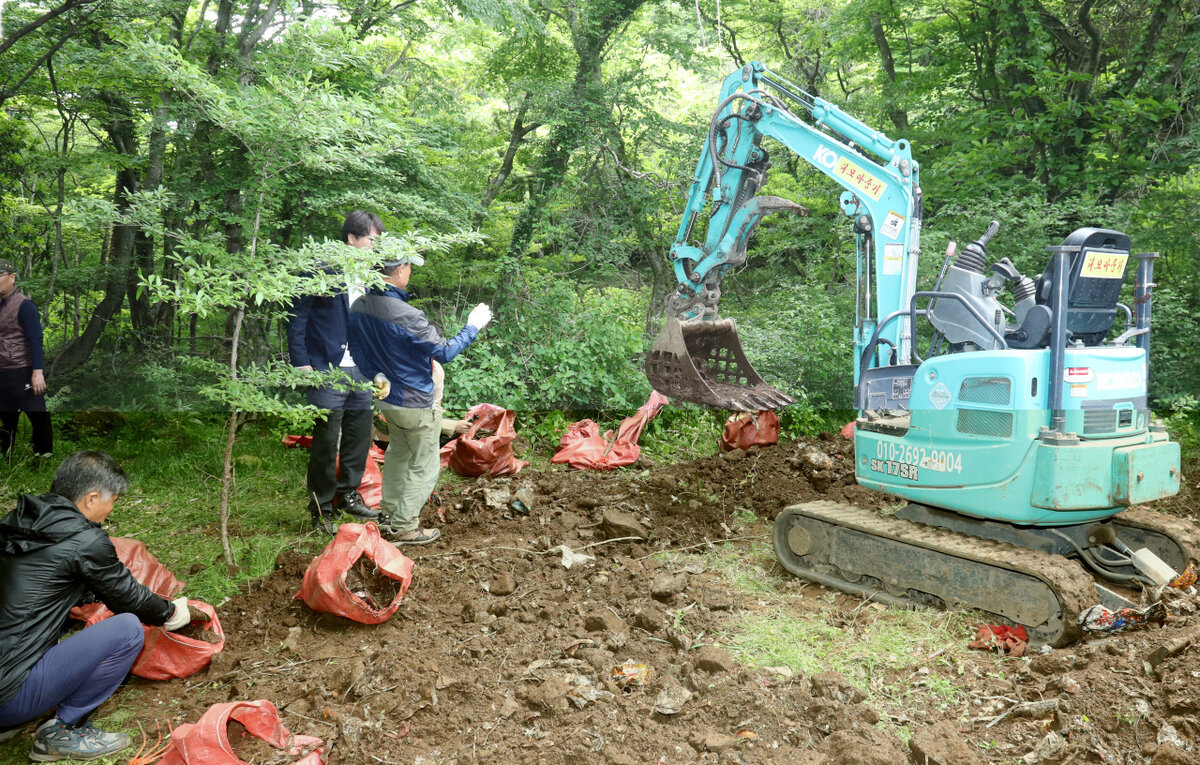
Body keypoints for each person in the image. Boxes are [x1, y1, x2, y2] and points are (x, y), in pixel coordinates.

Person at [0, 451, 200, 761]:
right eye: (113, 501)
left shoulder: (21, 523)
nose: (109, 512)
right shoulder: (83, 540)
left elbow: (45, 589)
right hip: (8, 695)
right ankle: (62, 731)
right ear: (92, 498)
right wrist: (172, 613)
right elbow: (129, 600)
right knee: (127, 629)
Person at [347, 253, 492, 545]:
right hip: (414, 402)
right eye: (409, 266)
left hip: (386, 397)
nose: (410, 272)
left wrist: (375, 375)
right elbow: (445, 352)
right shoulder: (406, 315)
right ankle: (404, 527)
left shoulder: (360, 306)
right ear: (399, 269)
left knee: (399, 454)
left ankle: (388, 516)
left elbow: (357, 349)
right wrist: (473, 325)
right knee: (425, 466)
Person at [287, 211, 383, 534]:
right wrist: (300, 361)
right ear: (352, 239)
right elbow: (297, 315)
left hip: (363, 368)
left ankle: (349, 495)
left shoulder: (373, 275)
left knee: (358, 436)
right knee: (326, 442)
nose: (375, 246)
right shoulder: (320, 268)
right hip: (326, 368)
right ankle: (321, 509)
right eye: (371, 239)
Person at [0, 258, 52, 458]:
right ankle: (5, 457)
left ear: (11, 278)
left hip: (23, 371)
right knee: (6, 419)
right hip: (2, 372)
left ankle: (44, 456)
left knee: (38, 416)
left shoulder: (24, 305)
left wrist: (37, 373)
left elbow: (35, 340)